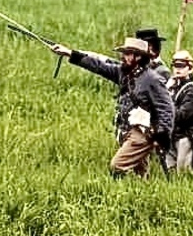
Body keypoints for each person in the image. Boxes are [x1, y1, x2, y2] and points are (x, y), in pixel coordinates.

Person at [51, 37, 174, 177]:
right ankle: (141, 194)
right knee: (140, 174)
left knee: (117, 166)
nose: (123, 57)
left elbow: (166, 109)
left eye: (128, 53)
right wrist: (69, 53)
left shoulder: (153, 79)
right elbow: (98, 66)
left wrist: (162, 135)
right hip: (126, 129)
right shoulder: (124, 73)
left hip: (142, 133)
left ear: (138, 56)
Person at [165, 50, 193, 172]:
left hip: (188, 138)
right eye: (175, 66)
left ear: (190, 69)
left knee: (184, 173)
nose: (178, 69)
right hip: (174, 136)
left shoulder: (192, 92)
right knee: (171, 172)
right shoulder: (173, 87)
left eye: (182, 66)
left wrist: (167, 96)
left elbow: (180, 116)